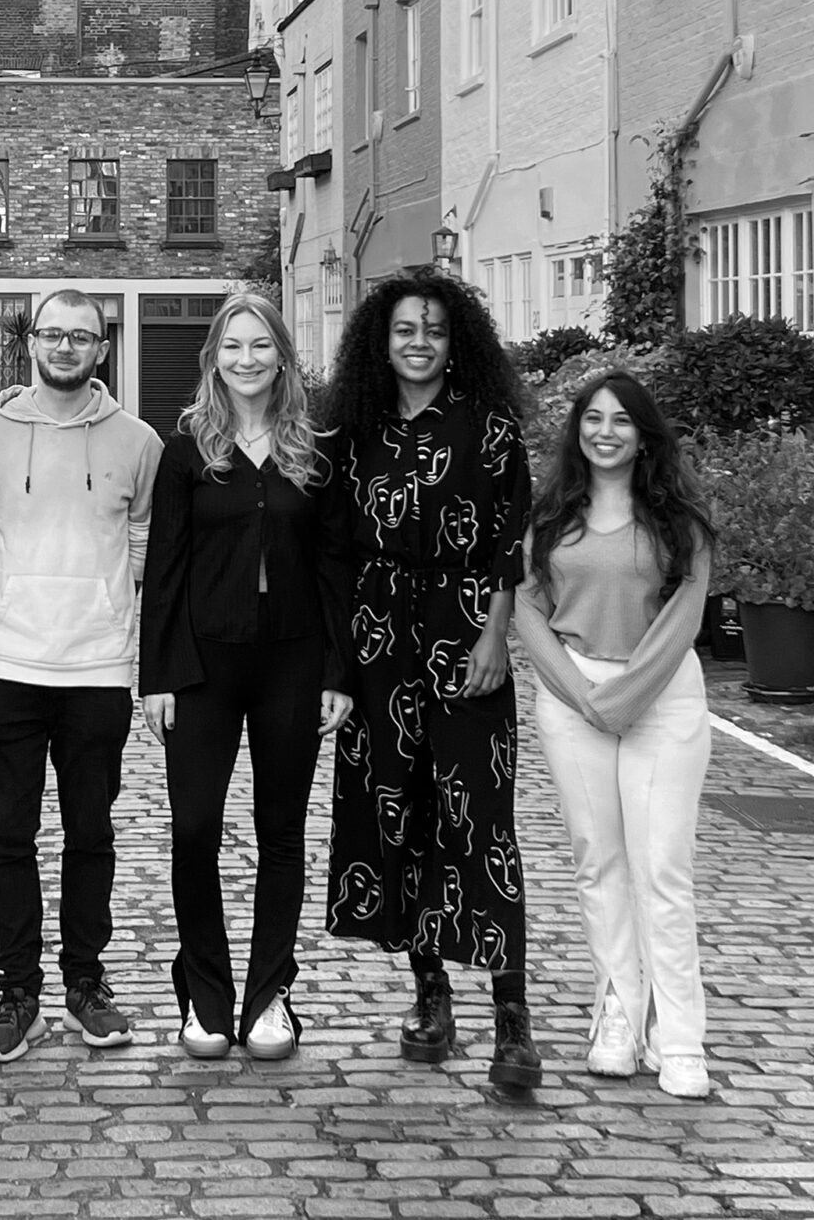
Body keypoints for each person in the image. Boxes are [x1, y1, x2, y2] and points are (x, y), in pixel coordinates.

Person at [321, 269, 540, 1089]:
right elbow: (336, 554)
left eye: (435, 330)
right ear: (381, 341)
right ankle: (430, 993)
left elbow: (505, 543)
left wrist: (494, 635)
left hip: (462, 630)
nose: (419, 342)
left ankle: (511, 1021)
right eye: (406, 329)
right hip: (379, 643)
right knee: (401, 812)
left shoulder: (489, 430)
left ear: (458, 343)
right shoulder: (353, 432)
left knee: (480, 824)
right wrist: (338, 667)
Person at [139, 292, 355, 1061]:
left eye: (261, 345)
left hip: (293, 663)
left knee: (281, 834)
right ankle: (205, 994)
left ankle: (270, 996)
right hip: (202, 665)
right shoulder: (188, 449)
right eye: (232, 346)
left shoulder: (316, 448)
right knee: (194, 829)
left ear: (283, 355)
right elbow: (162, 568)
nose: (247, 359)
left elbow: (336, 567)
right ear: (214, 359)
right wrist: (158, 675)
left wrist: (339, 671)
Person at [0, 288, 164, 1062]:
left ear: (102, 348)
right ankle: (19, 991)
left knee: (92, 833)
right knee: (8, 835)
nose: (67, 348)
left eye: (83, 336)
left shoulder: (138, 441)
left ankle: (86, 983)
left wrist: (116, 597)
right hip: (10, 664)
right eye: (54, 334)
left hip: (98, 667)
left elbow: (142, 529)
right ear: (32, 342)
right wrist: (1, 591)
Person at [514, 371, 715, 1099]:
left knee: (662, 870)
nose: (606, 432)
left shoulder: (676, 517)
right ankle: (618, 1019)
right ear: (578, 431)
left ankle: (680, 1035)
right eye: (593, 419)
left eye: (622, 421)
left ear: (643, 433)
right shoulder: (553, 514)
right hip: (575, 701)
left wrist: (622, 698)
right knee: (598, 866)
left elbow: (686, 614)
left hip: (662, 701)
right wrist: (582, 694)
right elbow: (528, 610)